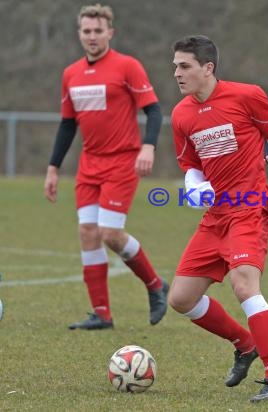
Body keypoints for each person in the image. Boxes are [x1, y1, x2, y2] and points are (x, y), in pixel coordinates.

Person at [169, 35, 268, 403]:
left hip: (249, 207)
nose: (176, 73)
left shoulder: (247, 95)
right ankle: (244, 343)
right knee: (180, 298)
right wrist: (194, 186)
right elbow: (191, 165)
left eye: (184, 66)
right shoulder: (181, 114)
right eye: (175, 65)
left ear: (208, 68)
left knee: (244, 285)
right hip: (216, 216)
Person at [43, 4, 169, 330]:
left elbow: (154, 111)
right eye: (87, 31)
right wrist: (53, 168)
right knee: (87, 232)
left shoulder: (127, 66)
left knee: (110, 233)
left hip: (122, 162)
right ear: (80, 34)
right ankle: (101, 314)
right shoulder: (70, 74)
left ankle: (155, 285)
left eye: (98, 31)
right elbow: (67, 125)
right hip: (89, 165)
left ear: (110, 32)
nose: (92, 36)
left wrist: (148, 146)